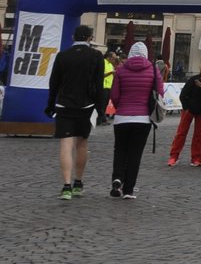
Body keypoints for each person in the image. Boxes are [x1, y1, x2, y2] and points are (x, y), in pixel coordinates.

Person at [47, 24, 106, 200]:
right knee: (82, 144)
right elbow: (99, 86)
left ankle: (66, 186)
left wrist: (50, 105)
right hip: (86, 106)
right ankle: (78, 183)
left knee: (66, 145)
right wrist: (100, 110)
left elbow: (54, 83)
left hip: (64, 105)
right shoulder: (96, 56)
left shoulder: (62, 56)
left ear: (73, 37)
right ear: (90, 38)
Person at [107, 42, 161, 199]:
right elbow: (160, 92)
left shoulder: (120, 69)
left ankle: (117, 179)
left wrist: (120, 108)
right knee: (135, 154)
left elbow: (114, 95)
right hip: (143, 119)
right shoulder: (153, 69)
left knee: (120, 150)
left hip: (122, 117)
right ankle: (128, 190)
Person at [168, 58, 201, 166]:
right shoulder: (194, 79)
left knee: (198, 136)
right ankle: (174, 156)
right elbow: (183, 94)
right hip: (189, 110)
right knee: (181, 133)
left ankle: (196, 157)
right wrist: (186, 107)